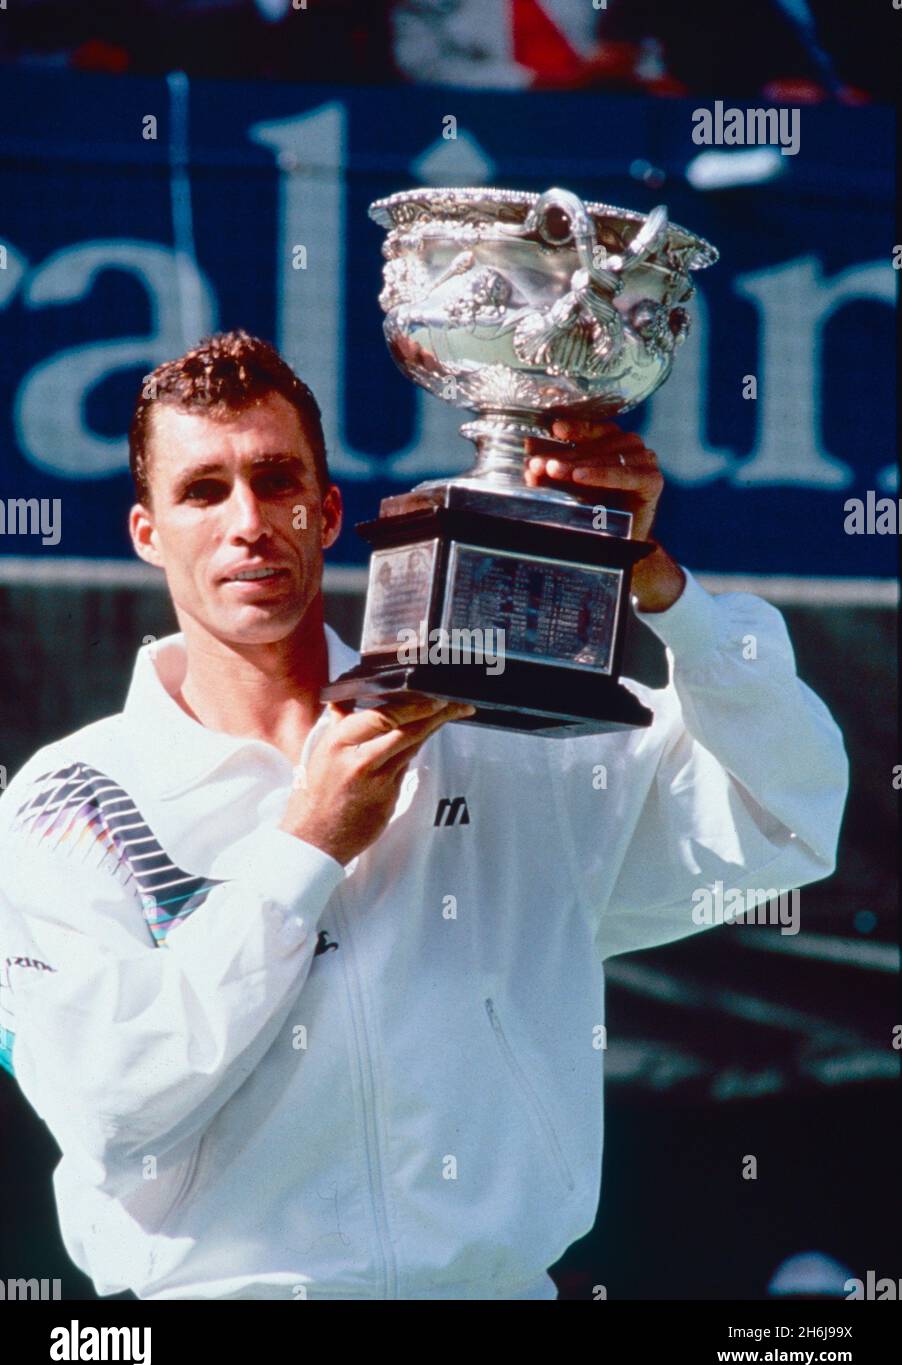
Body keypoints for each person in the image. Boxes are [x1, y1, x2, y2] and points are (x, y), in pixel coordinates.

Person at [0, 329, 848, 1301]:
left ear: (325, 515)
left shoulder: (501, 737)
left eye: (276, 482)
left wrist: (663, 590)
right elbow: (106, 1099)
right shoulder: (69, 800)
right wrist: (304, 848)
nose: (247, 521)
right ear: (147, 532)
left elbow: (785, 816)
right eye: (203, 489)